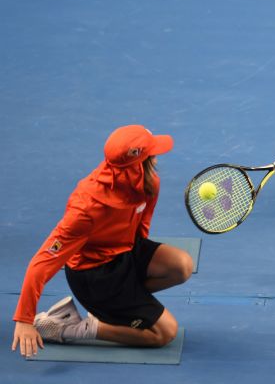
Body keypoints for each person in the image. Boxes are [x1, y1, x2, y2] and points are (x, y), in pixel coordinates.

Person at [11, 125, 194, 358]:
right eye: (152, 151)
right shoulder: (85, 208)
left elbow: (141, 228)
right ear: (139, 160)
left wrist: (138, 266)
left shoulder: (149, 181)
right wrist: (24, 319)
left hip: (125, 253)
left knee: (182, 265)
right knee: (165, 333)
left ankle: (120, 306)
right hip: (95, 276)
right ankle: (75, 328)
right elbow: (44, 260)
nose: (157, 155)